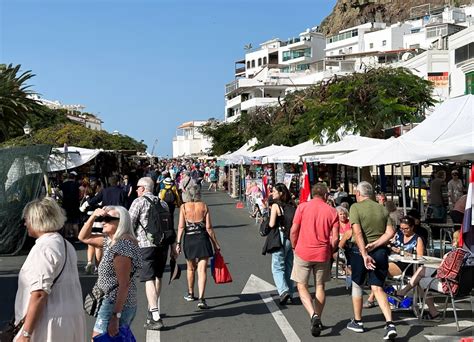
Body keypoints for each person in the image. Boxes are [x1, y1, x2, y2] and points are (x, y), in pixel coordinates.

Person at [15, 197, 86, 341]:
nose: (25, 223)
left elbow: (40, 293)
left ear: (37, 220)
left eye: (27, 219)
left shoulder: (43, 248)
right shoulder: (66, 245)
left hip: (48, 323)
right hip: (71, 318)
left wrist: (26, 333)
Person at [79, 205, 141, 339]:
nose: (103, 221)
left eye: (107, 219)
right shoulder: (111, 241)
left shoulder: (122, 246)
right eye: (102, 218)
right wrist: (93, 216)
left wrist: (115, 316)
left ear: (121, 222)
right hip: (111, 301)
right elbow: (83, 237)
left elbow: (124, 284)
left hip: (114, 303)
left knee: (99, 339)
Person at [346, 181, 397, 340]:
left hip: (359, 251)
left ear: (359, 194)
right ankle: (390, 324)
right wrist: (376, 244)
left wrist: (364, 253)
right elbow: (390, 232)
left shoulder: (355, 207)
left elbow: (358, 233)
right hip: (380, 251)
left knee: (357, 284)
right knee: (378, 287)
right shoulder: (382, 209)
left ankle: (358, 321)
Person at [290, 183, 339, 337]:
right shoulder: (332, 211)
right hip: (322, 253)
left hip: (303, 251)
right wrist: (331, 250)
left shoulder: (302, 207)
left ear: (312, 194)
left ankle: (313, 315)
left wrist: (294, 246)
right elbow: (336, 238)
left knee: (302, 285)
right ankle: (318, 316)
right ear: (325, 196)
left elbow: (293, 230)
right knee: (320, 286)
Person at [129, 177, 175, 330]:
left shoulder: (138, 202)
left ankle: (155, 316)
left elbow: (129, 223)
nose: (136, 190)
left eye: (137, 187)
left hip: (145, 244)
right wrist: (173, 246)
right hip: (162, 245)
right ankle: (152, 309)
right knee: (158, 276)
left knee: (148, 278)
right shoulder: (162, 203)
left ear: (143, 188)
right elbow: (170, 226)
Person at [365, 216, 425, 308]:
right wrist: (389, 245)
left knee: (381, 271)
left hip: (407, 265)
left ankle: (372, 297)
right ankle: (379, 295)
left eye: (406, 228)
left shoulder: (417, 239)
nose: (403, 230)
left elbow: (419, 257)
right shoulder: (399, 234)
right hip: (393, 260)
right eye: (401, 228)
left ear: (412, 227)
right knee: (377, 268)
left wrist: (402, 252)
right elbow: (390, 243)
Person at [176, 185, 220, 309]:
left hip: (189, 239)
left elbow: (180, 227)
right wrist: (215, 244)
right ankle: (201, 298)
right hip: (202, 239)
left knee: (190, 269)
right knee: (202, 270)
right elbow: (209, 228)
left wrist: (178, 243)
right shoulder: (204, 206)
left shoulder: (184, 207)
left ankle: (190, 293)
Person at [268, 183, 296, 305]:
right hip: (291, 237)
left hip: (279, 236)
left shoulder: (275, 205)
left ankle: (283, 291)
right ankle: (290, 291)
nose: (272, 193)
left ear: (280, 193)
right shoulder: (292, 205)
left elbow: (271, 224)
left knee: (277, 266)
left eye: (274, 191)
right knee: (289, 265)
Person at [59, 172, 81, 238]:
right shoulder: (77, 184)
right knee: (75, 221)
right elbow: (81, 191)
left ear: (68, 178)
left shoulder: (64, 184)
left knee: (67, 221)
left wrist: (61, 197)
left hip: (66, 204)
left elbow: (57, 191)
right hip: (75, 204)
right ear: (74, 178)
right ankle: (76, 236)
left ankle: (66, 235)